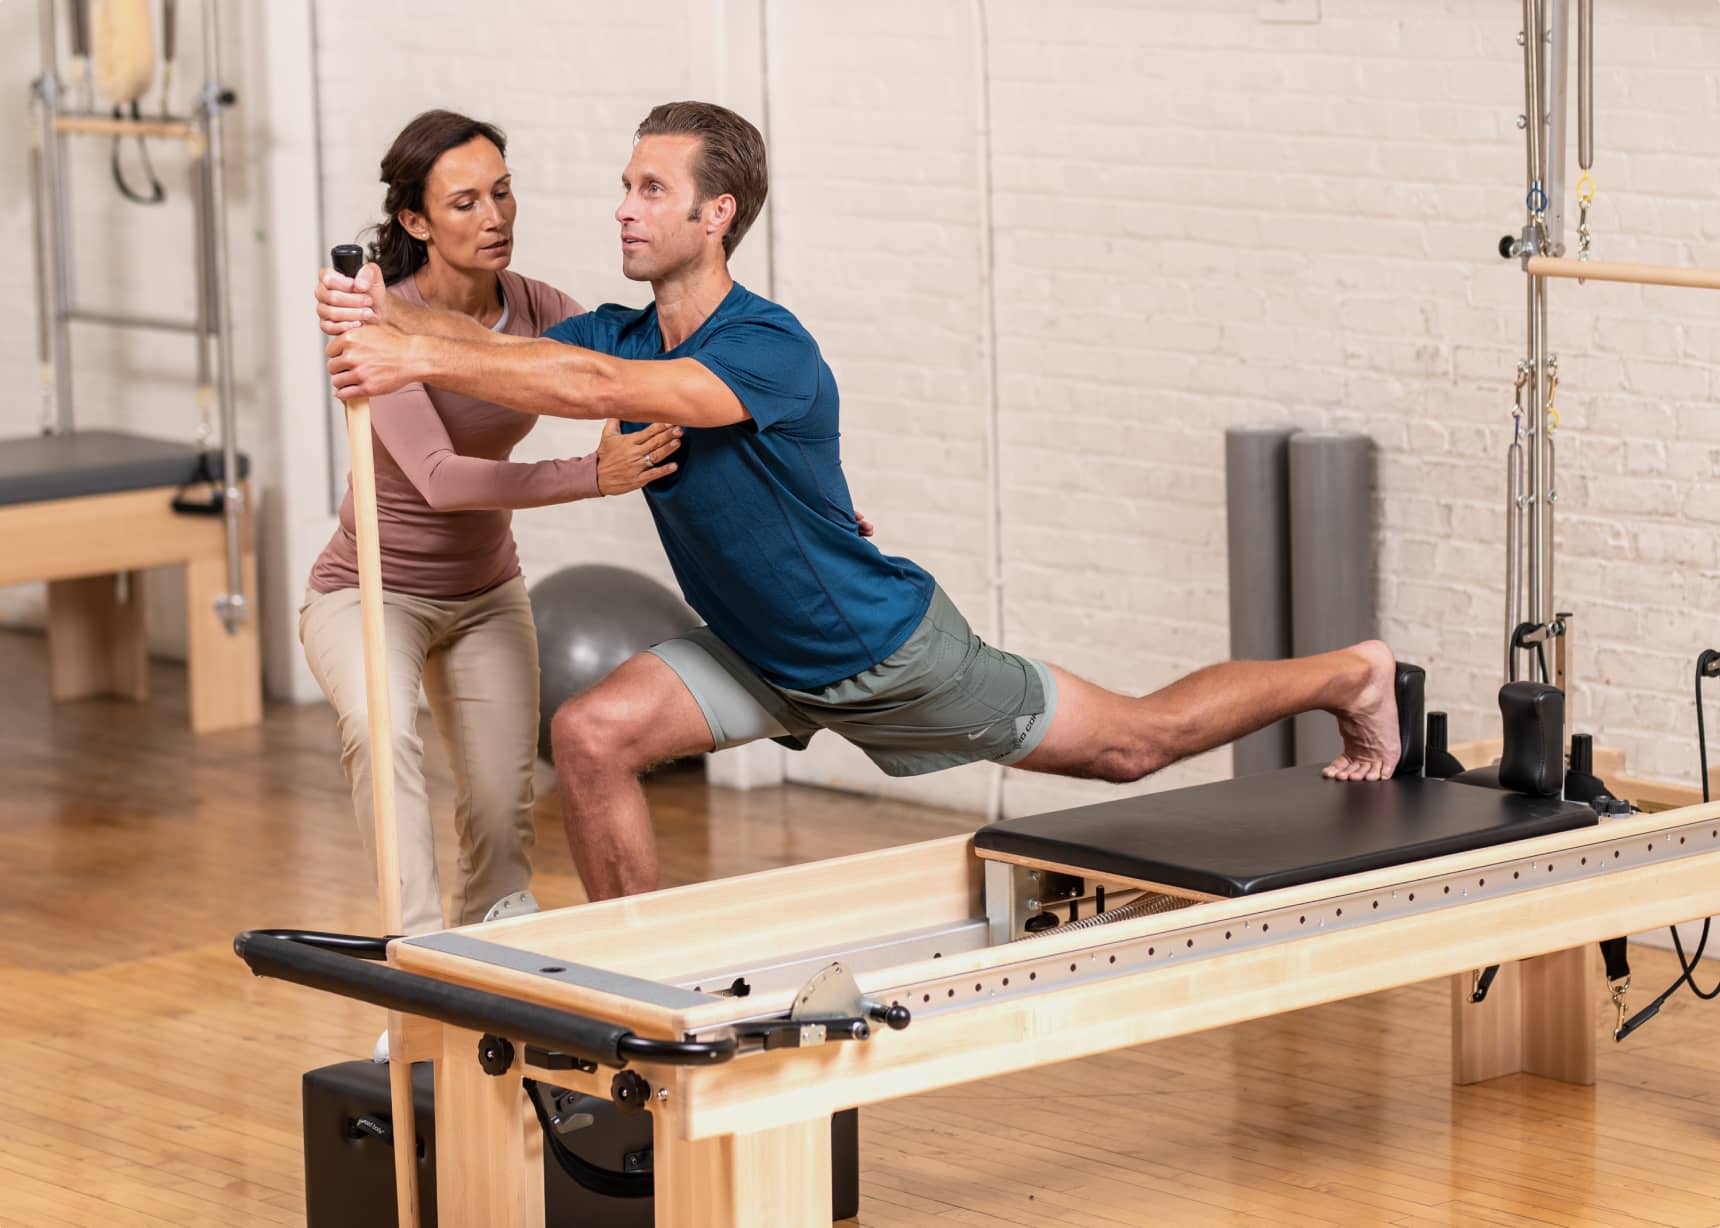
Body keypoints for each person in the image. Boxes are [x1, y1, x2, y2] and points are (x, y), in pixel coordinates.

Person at [316, 101, 1402, 906]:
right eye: (625, 184)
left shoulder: (765, 346)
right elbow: (508, 348)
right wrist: (382, 310)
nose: (622, 207)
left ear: (716, 214)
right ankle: (637, 981)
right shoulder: (627, 326)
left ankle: (1347, 672)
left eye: (651, 189)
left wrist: (405, 348)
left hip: (877, 650)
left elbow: (586, 388)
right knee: (591, 733)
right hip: (751, 652)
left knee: (1132, 744)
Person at [301, 109, 680, 936]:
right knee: (381, 734)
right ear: (415, 221)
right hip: (370, 590)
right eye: (466, 203)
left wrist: (801, 500)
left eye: (503, 194)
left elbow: (637, 383)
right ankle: (417, 957)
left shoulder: (539, 309)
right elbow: (441, 480)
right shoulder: (375, 323)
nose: (496, 218)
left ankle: (489, 963)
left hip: (483, 593)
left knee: (503, 805)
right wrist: (592, 476)